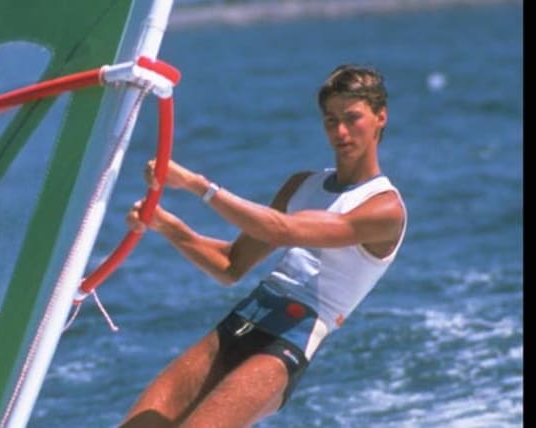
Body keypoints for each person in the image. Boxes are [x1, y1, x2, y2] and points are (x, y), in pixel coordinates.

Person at [119, 64, 407, 428]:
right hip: (246, 317)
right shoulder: (301, 185)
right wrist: (167, 226)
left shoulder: (384, 208)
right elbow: (231, 264)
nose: (341, 131)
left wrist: (197, 185)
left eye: (352, 118)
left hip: (290, 340)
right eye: (331, 120)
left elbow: (283, 230)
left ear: (381, 117)